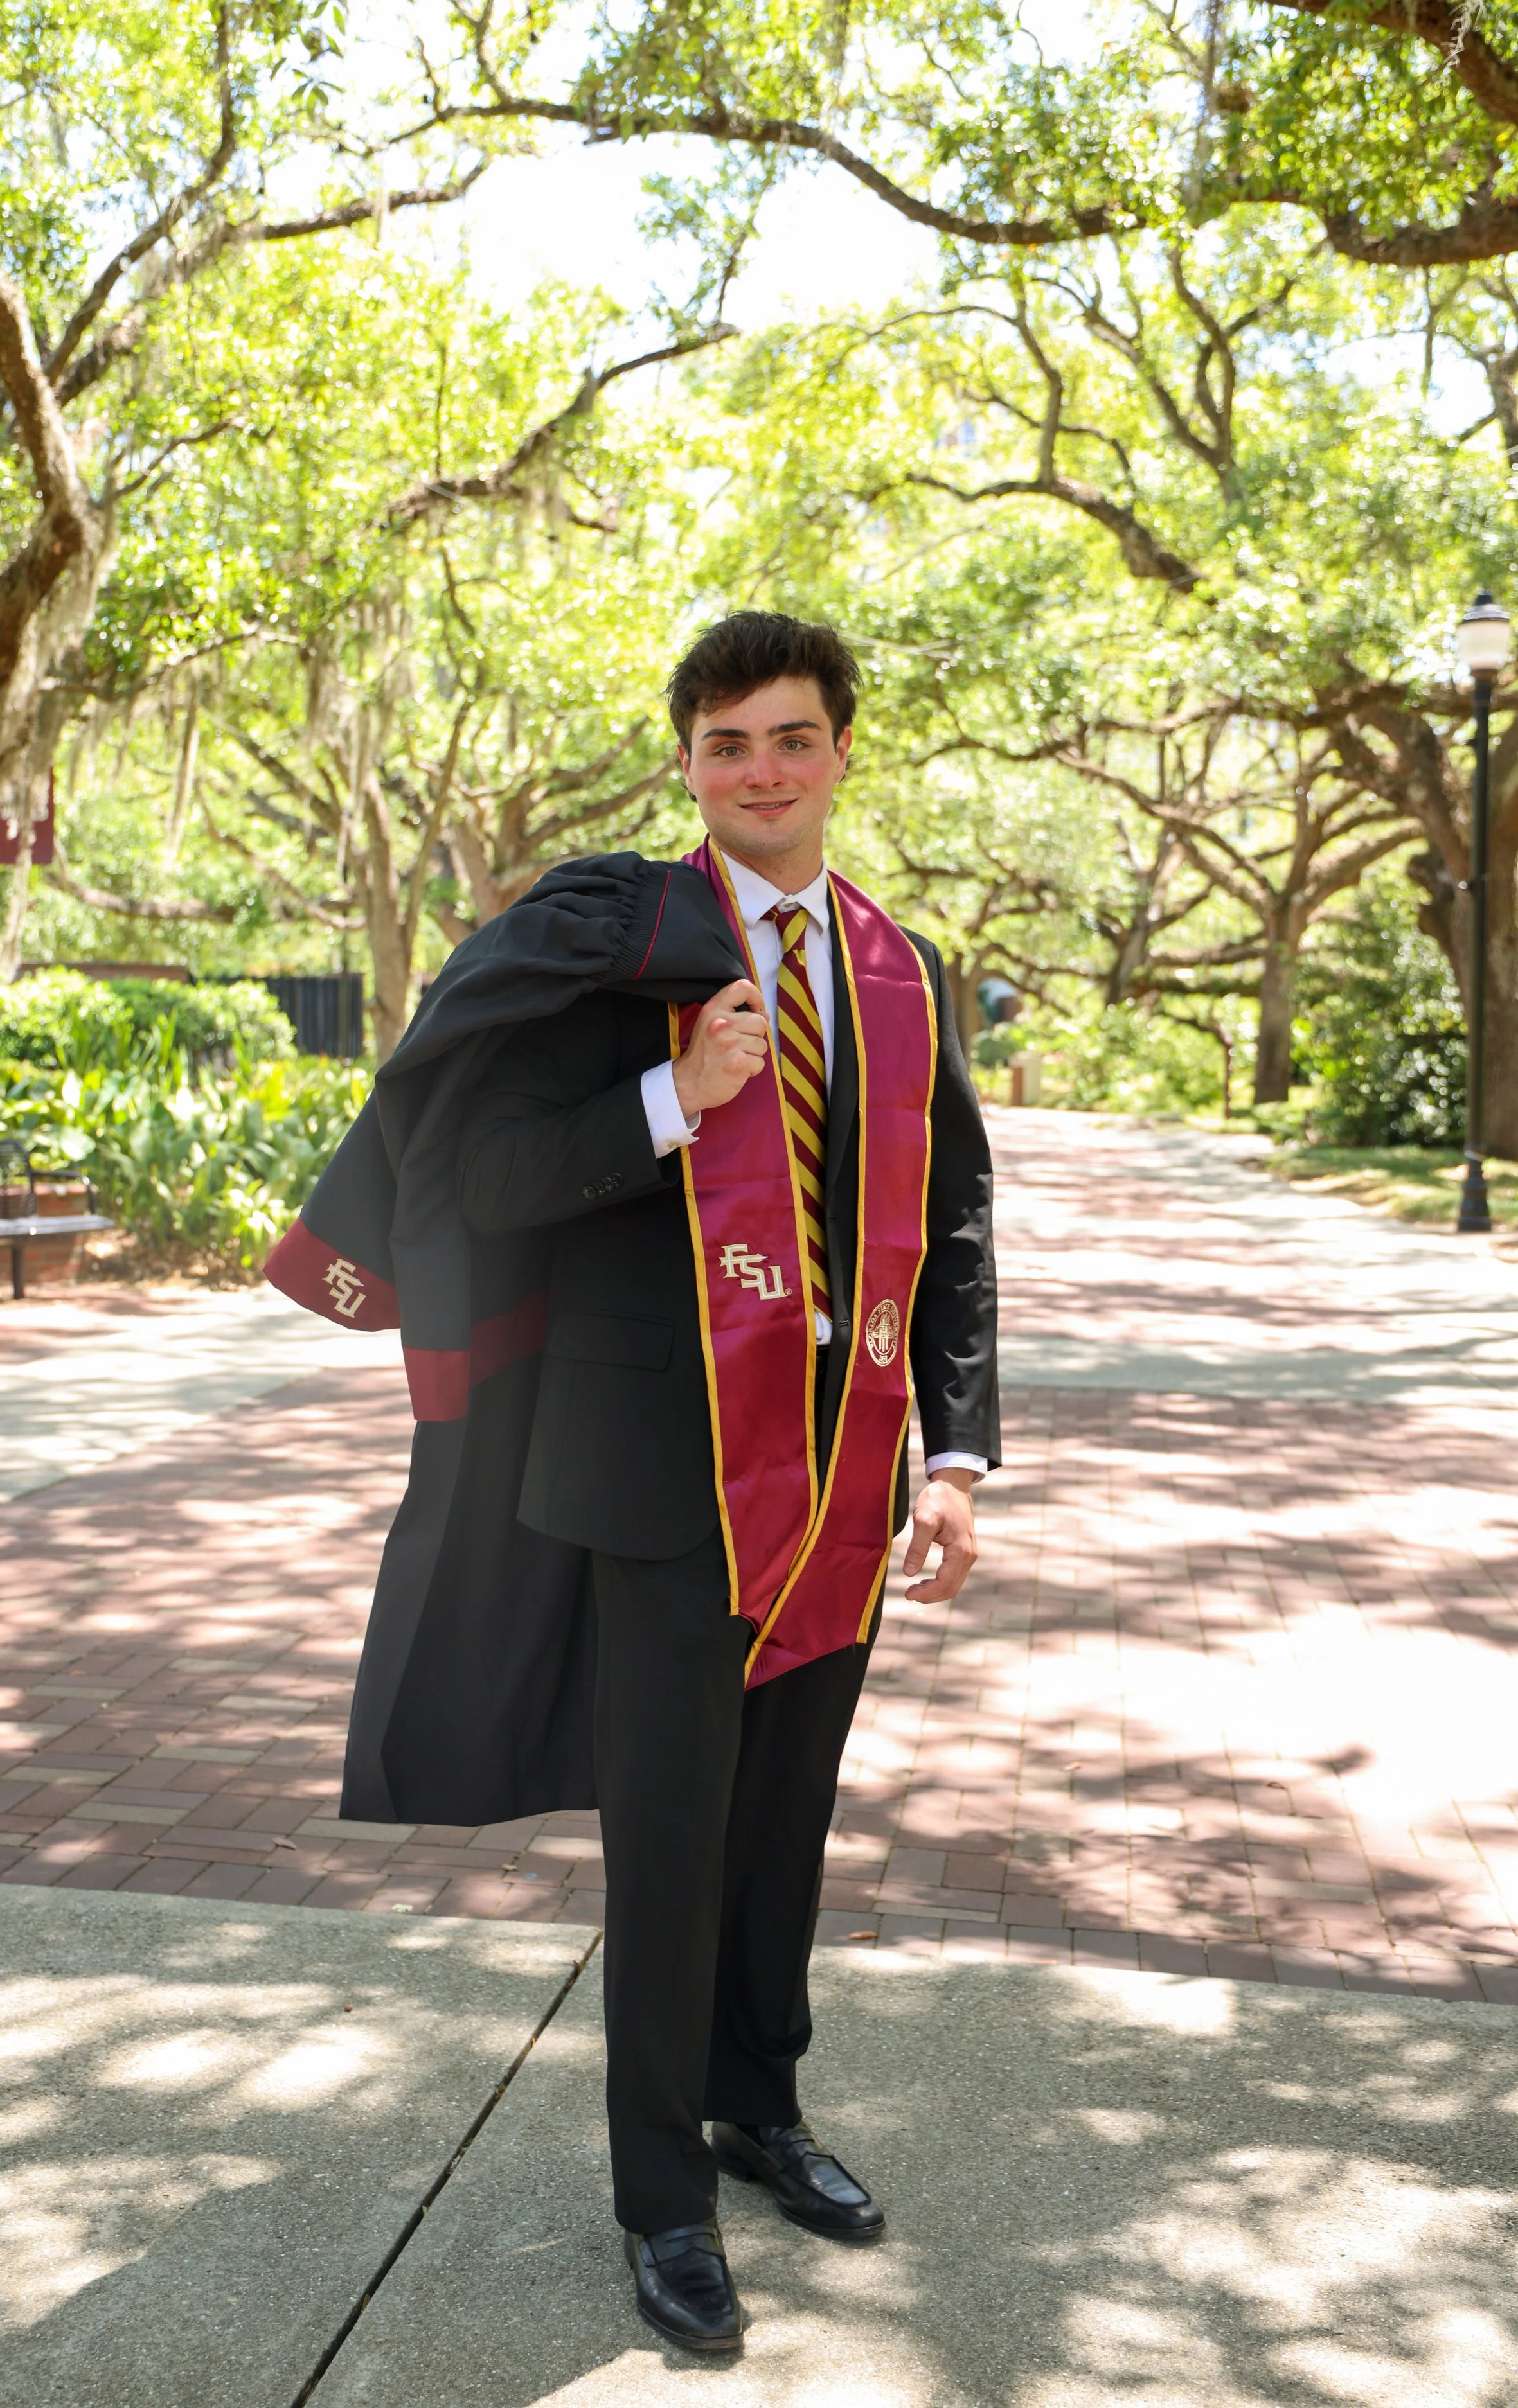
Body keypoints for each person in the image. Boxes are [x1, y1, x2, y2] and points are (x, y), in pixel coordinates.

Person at [447, 610, 1000, 2352]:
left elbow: (957, 1218)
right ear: (685, 762)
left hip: (837, 1468)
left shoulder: (896, 966)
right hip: (660, 1475)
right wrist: (669, 1097)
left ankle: (760, 2113)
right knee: (670, 1846)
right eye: (725, 743)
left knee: (780, 1835)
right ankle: (661, 2201)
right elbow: (482, 1173)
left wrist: (955, 1453)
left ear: (842, 749)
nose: (759, 769)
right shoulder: (615, 947)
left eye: (789, 737)